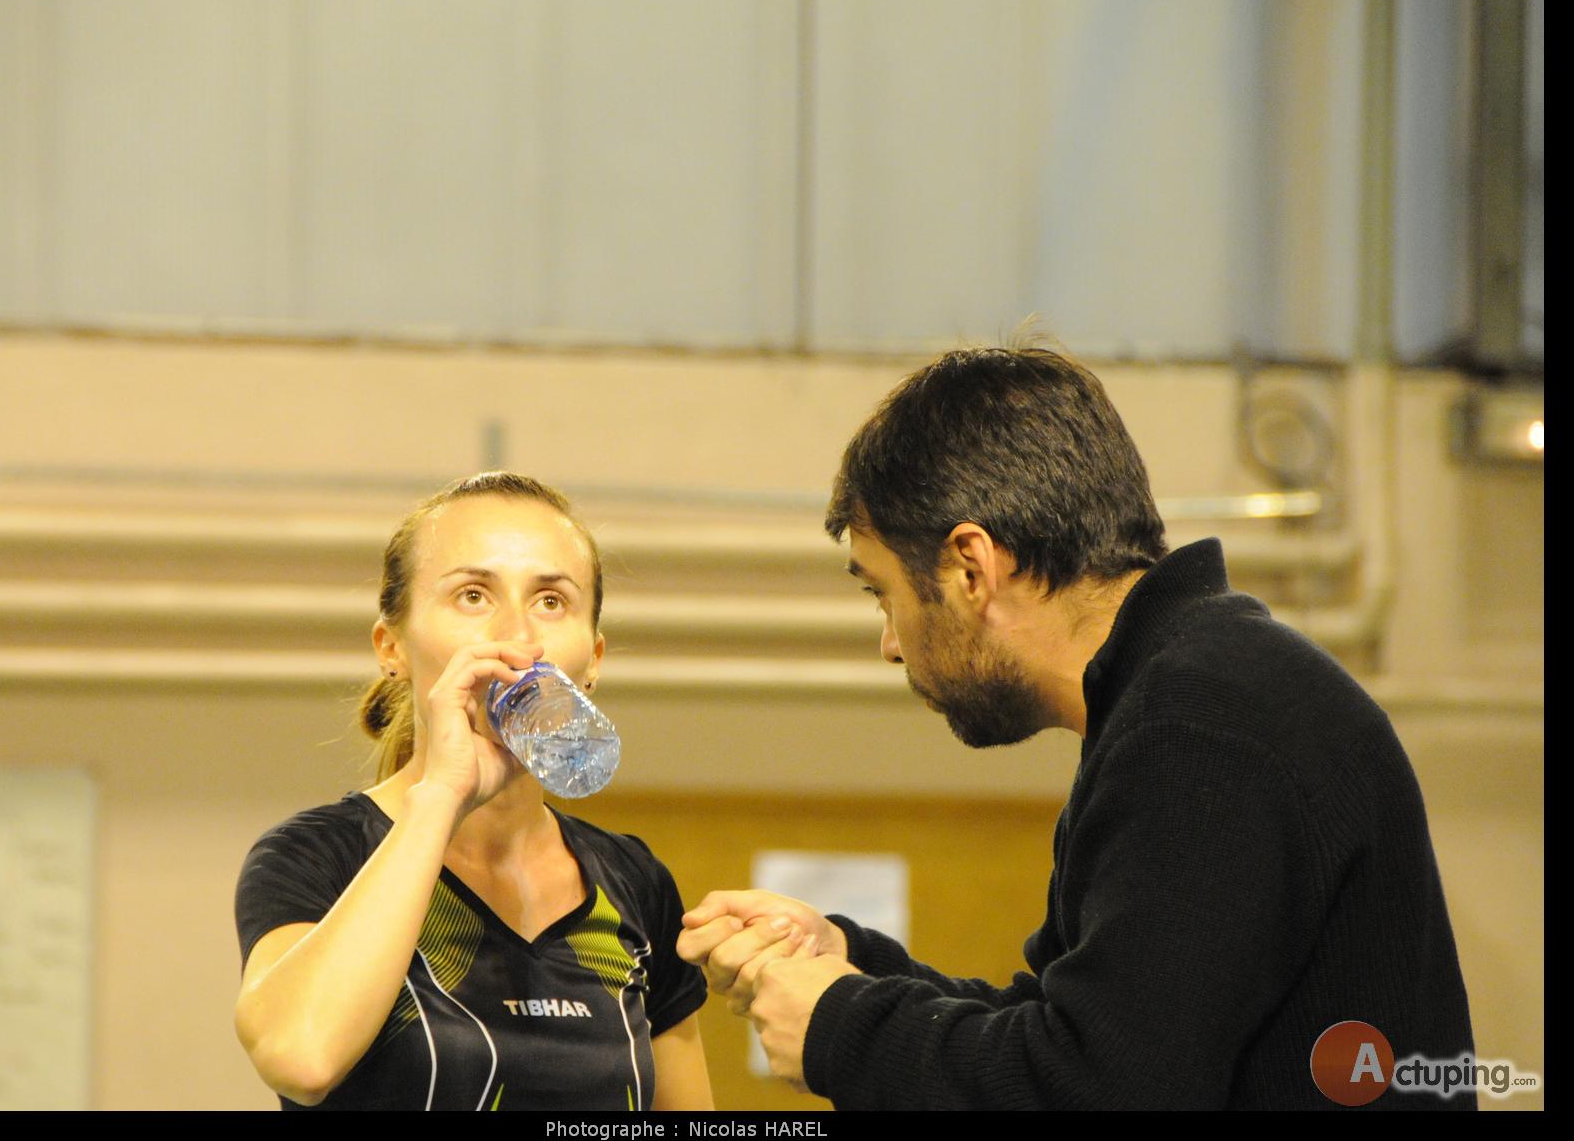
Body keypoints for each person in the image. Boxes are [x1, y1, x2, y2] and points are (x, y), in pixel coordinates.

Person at [678, 340, 1476, 1109]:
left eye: (882, 593)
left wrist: (840, 1026)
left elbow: (1094, 1089)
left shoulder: (1201, 727)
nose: (890, 643)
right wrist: (849, 963)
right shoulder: (1184, 695)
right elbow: (1063, 1033)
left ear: (970, 567)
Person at [235, 472, 712, 1110]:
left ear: (593, 659)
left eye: (551, 601)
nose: (517, 639)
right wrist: (441, 796)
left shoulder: (634, 881)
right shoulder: (318, 856)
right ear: (391, 647)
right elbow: (300, 1058)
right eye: (473, 595)